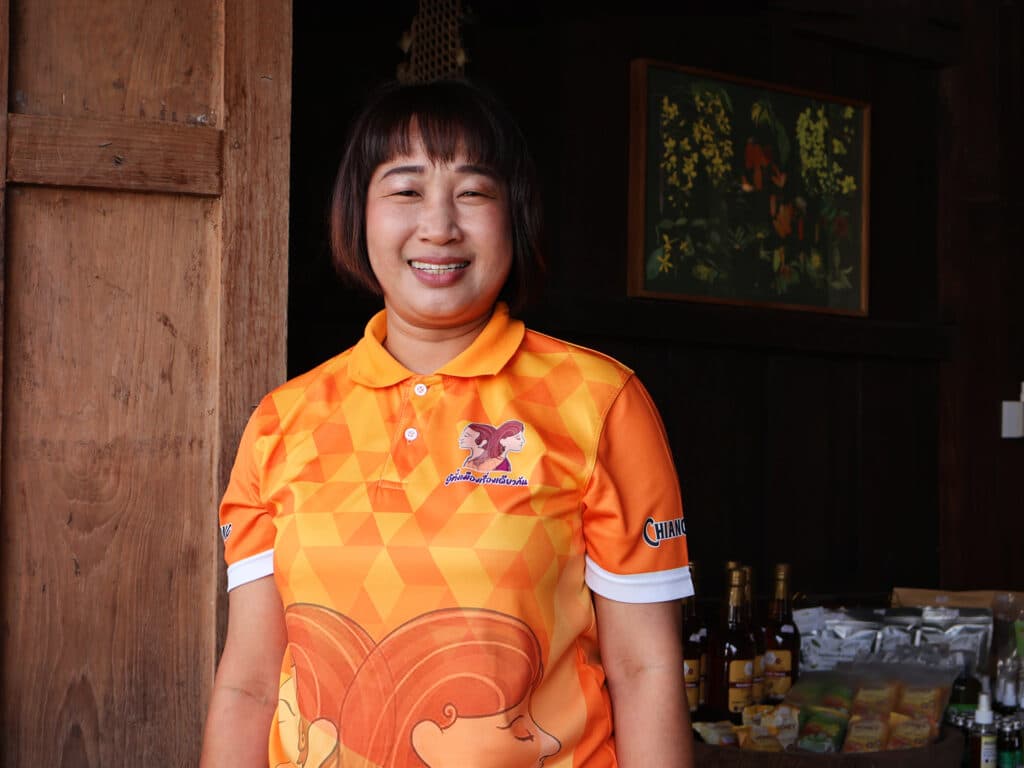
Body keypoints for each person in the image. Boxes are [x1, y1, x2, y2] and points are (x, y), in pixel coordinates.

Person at [200, 78, 695, 768]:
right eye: (405, 191)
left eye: (472, 192)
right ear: (358, 214)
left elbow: (644, 671)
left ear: (513, 214)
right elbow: (250, 686)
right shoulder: (282, 421)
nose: (439, 226)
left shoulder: (599, 401)